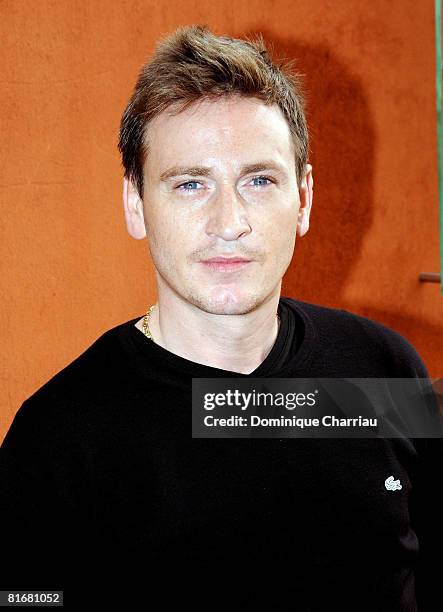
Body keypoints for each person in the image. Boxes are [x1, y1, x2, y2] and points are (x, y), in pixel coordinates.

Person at [1, 24, 442, 610]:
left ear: (304, 199)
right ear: (136, 203)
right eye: (190, 184)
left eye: (259, 180)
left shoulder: (382, 372)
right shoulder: (63, 436)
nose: (228, 220)